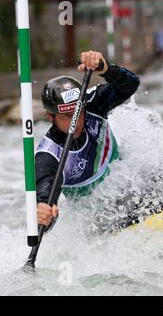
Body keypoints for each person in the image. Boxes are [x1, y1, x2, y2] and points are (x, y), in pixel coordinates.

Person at [36, 50, 140, 231]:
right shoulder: (48, 156)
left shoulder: (93, 104)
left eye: (79, 112)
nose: (76, 121)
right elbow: (48, 201)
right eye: (68, 116)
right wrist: (44, 213)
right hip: (100, 214)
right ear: (50, 117)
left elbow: (130, 85)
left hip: (129, 179)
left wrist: (105, 69)